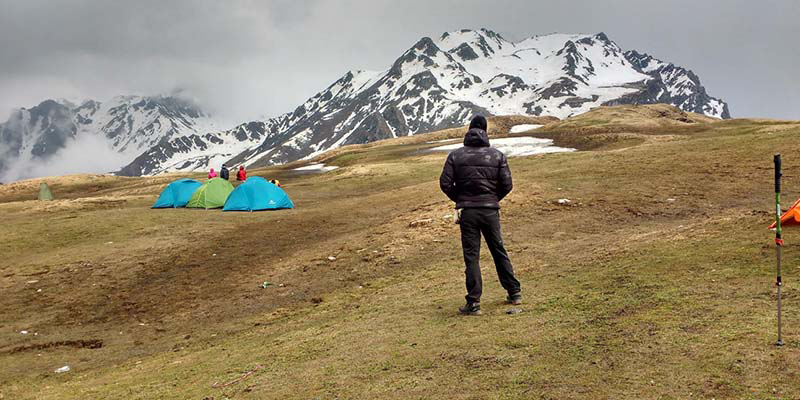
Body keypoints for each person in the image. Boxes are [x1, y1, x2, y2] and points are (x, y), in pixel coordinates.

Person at [439, 115, 522, 316]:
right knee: (498, 249)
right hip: (490, 211)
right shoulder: (497, 155)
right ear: (485, 132)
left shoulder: (455, 156)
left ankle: (474, 302)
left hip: (468, 212)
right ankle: (514, 292)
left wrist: (460, 199)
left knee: (472, 256)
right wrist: (493, 199)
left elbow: (445, 183)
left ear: (469, 131)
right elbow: (507, 185)